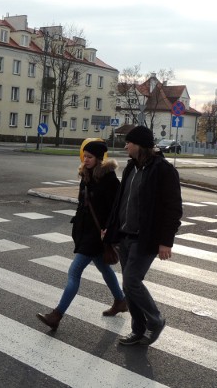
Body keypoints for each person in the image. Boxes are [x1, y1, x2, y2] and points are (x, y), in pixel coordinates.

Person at [104, 126, 182, 346]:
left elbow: (173, 208)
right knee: (129, 285)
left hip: (145, 237)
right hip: (125, 235)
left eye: (129, 142)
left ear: (139, 145)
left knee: (131, 281)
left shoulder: (163, 170)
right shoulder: (131, 168)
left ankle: (155, 320)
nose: (126, 145)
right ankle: (138, 330)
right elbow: (121, 200)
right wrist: (111, 228)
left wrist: (166, 241)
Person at [37, 139, 127, 330]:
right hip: (85, 232)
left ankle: (57, 315)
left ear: (100, 159)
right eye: (84, 156)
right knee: (104, 269)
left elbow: (118, 209)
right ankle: (120, 301)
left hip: (98, 235)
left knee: (74, 271)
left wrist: (110, 231)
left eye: (90, 157)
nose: (85, 160)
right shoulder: (86, 177)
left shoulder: (110, 180)